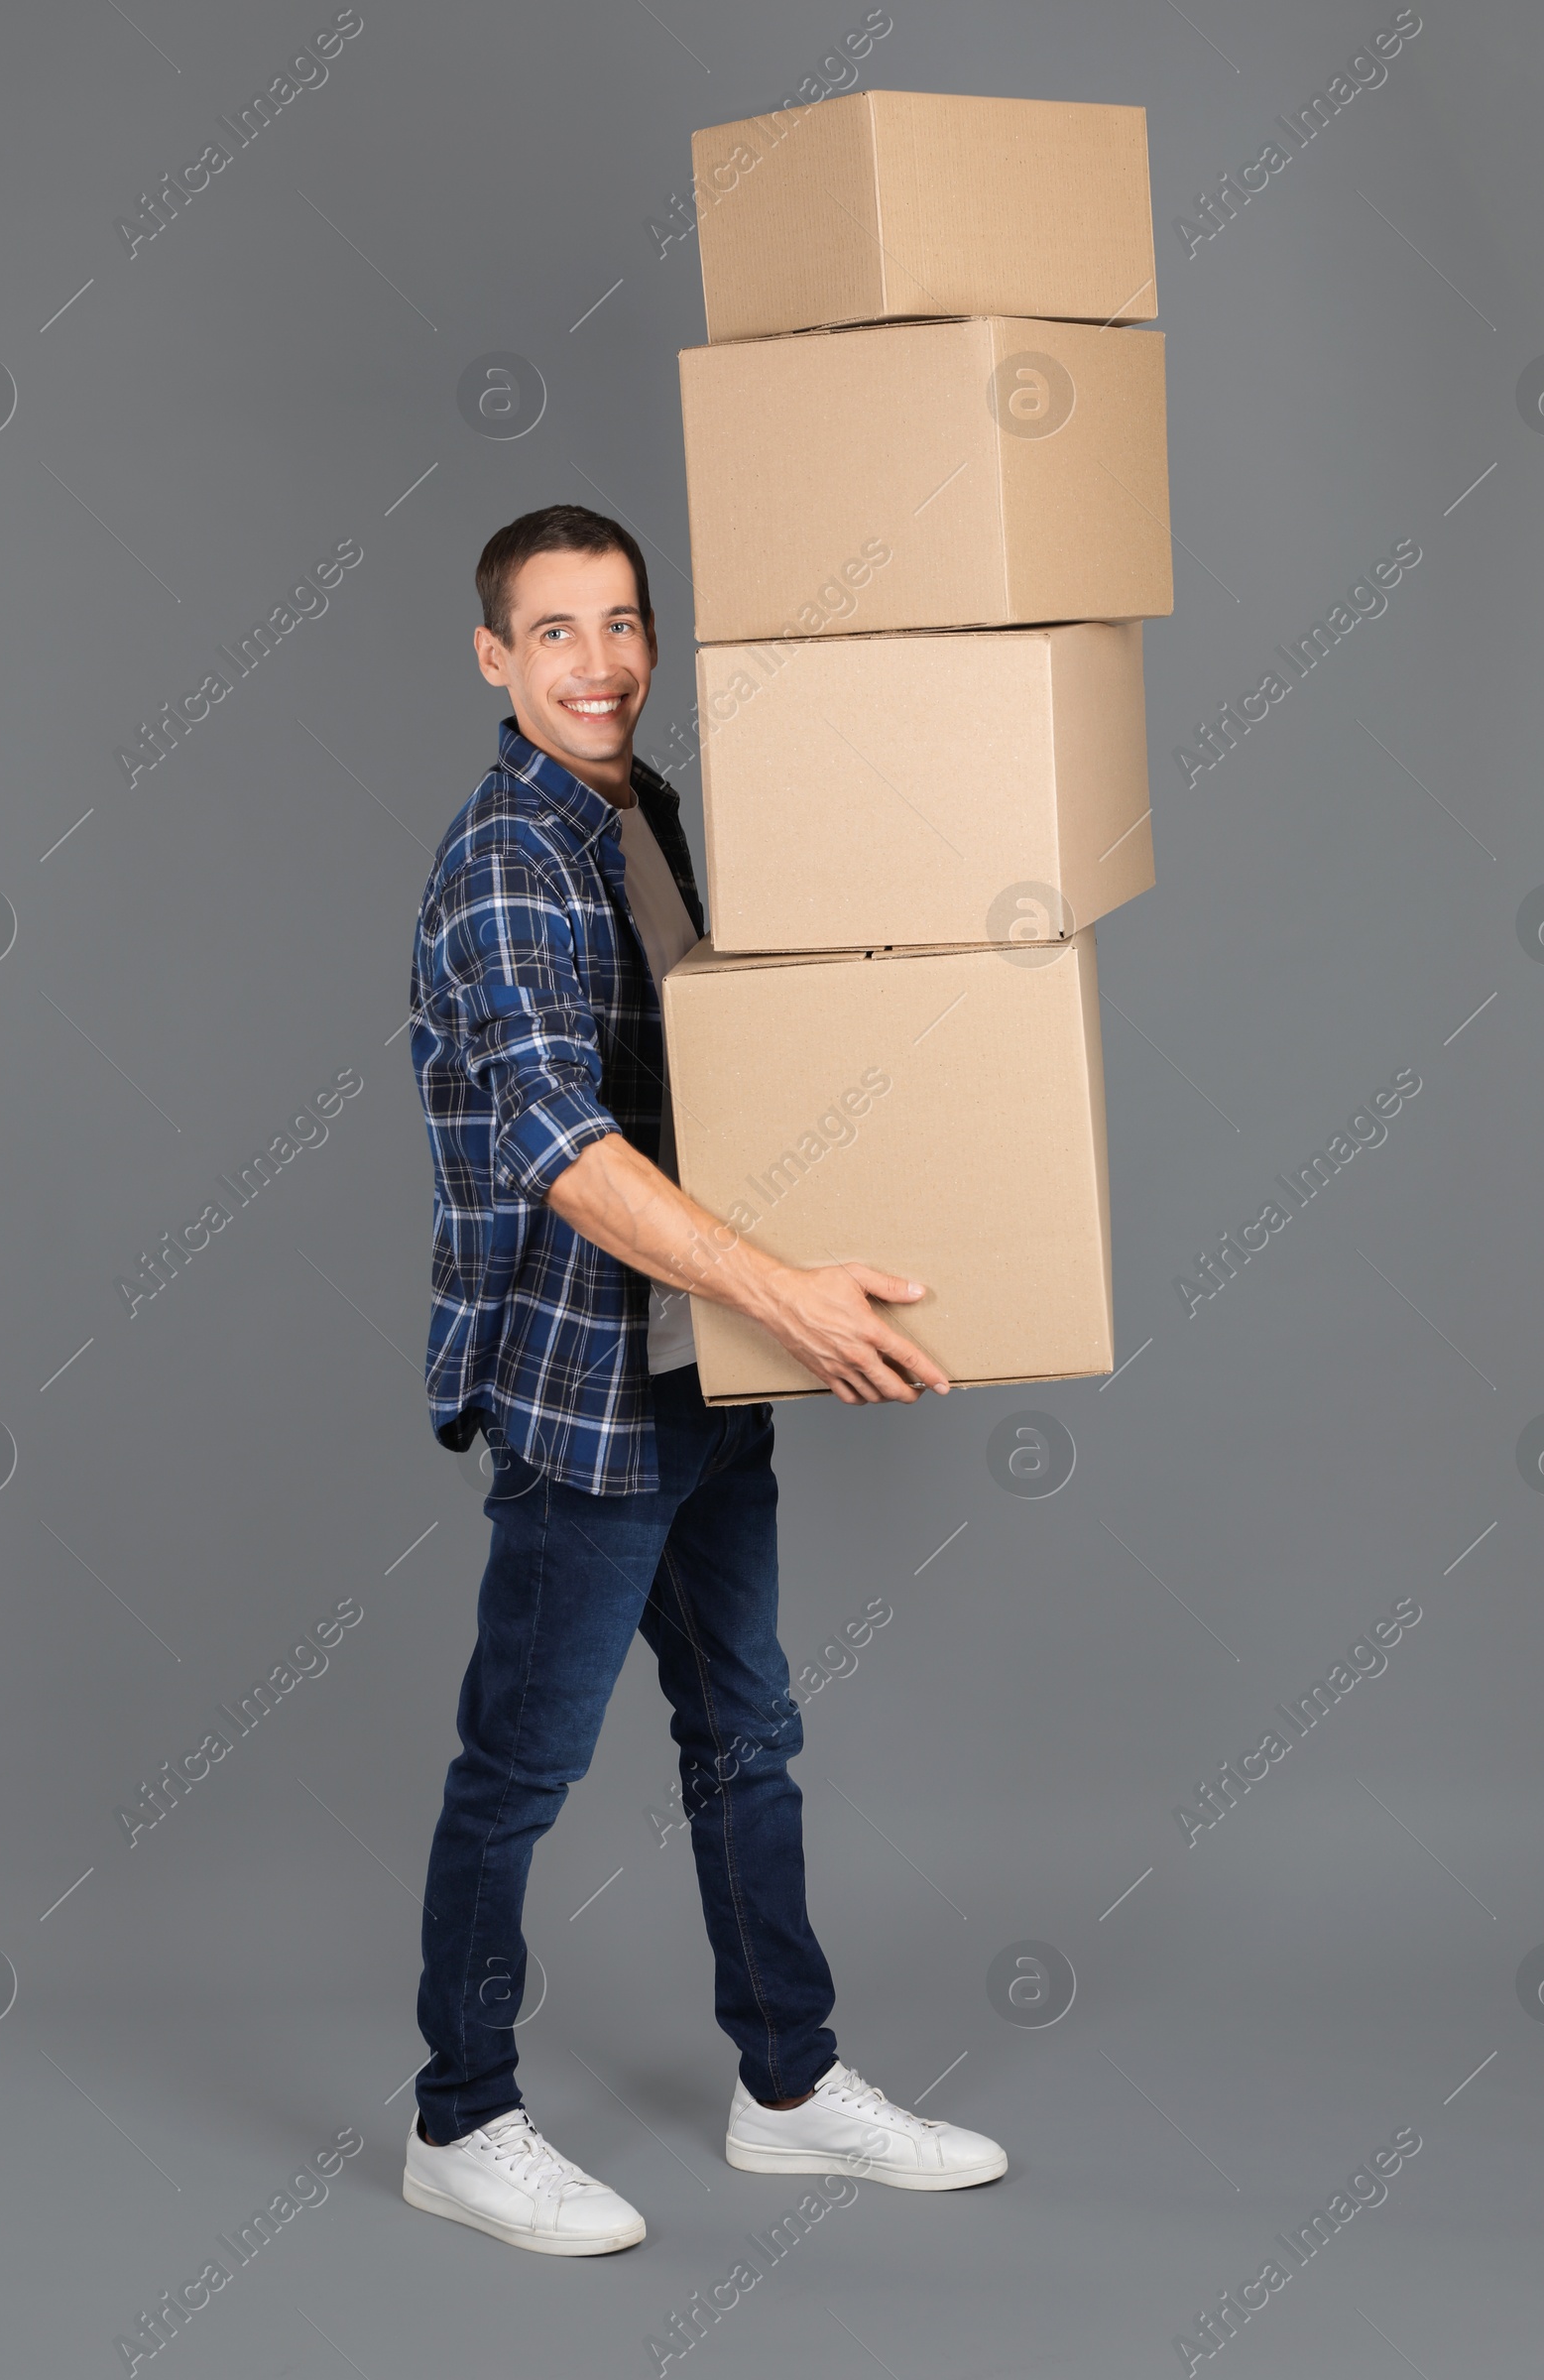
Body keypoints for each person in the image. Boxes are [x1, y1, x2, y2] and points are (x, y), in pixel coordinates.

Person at [401, 504, 1006, 2255]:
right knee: (519, 1769)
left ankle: (792, 2091)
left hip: (696, 1366)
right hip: (585, 1381)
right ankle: (460, 2117)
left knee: (747, 1733)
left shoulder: (639, 814)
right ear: (494, 659)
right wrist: (792, 1300)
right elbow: (564, 1148)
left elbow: (722, 1066)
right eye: (558, 633)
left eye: (623, 625)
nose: (600, 666)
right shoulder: (508, 855)